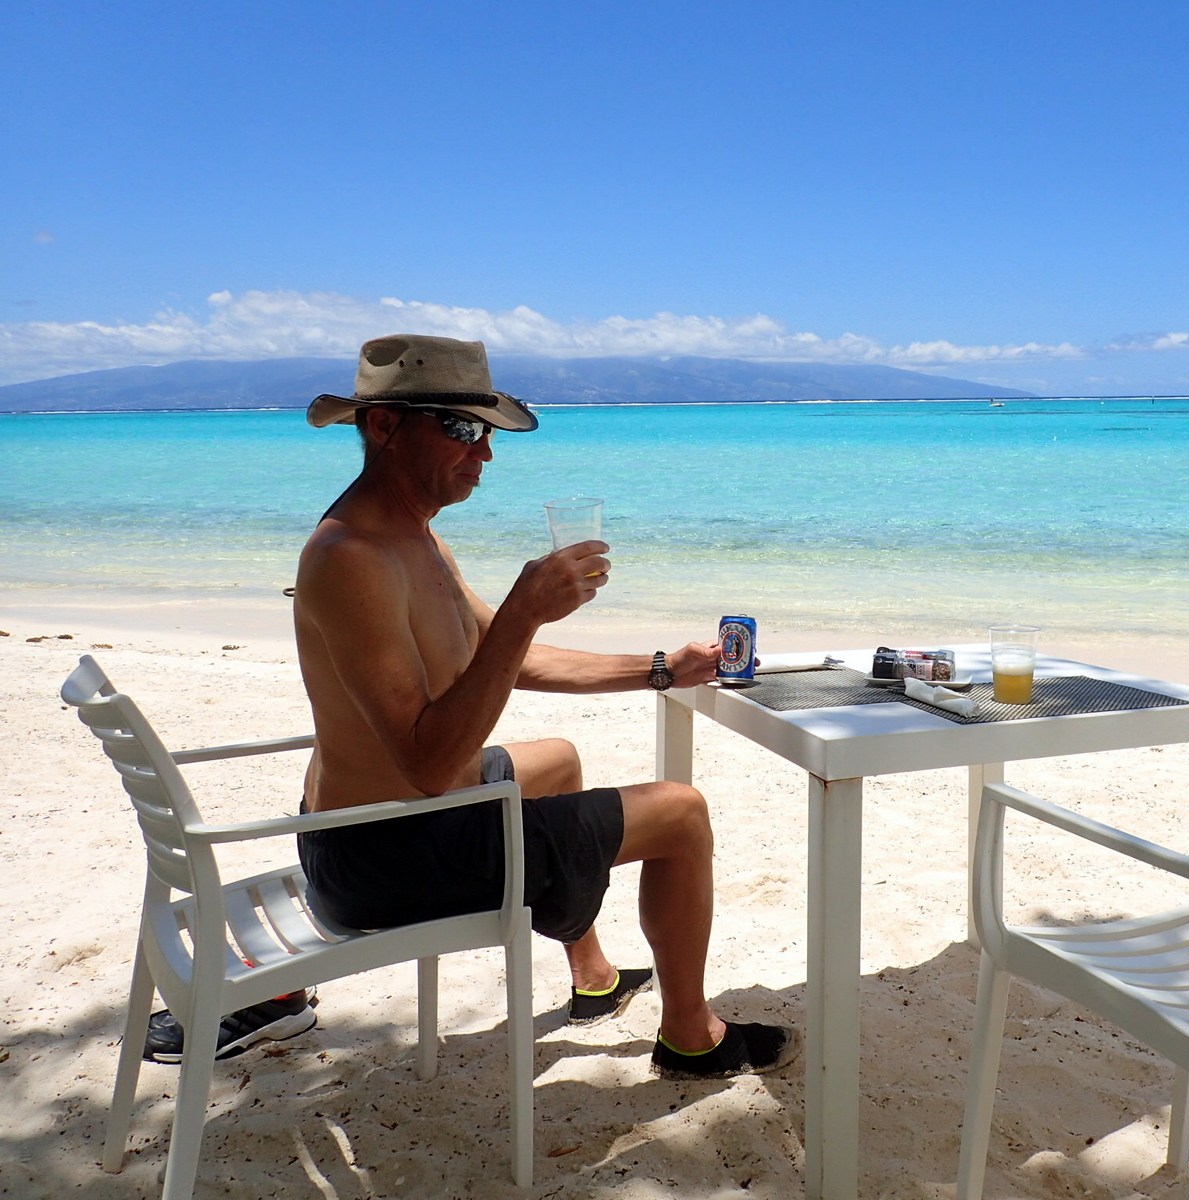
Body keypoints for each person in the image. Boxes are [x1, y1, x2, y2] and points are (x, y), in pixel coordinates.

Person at [150, 334, 797, 1078]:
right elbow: (430, 763)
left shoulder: (412, 538)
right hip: (386, 855)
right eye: (461, 428)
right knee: (681, 813)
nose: (484, 452)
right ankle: (692, 1037)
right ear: (383, 426)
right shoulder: (350, 558)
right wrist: (524, 610)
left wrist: (659, 669)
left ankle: (594, 975)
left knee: (556, 760)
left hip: (379, 825)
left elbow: (505, 659)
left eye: (486, 431)